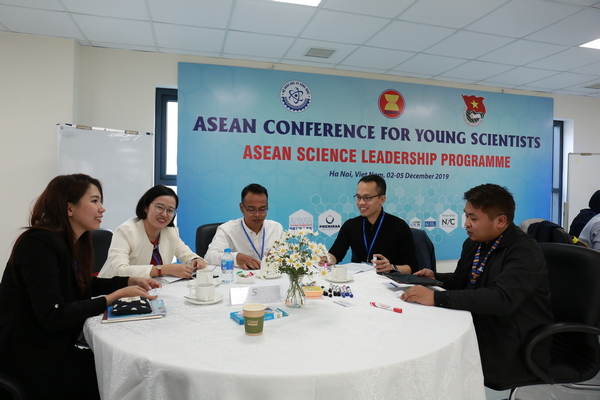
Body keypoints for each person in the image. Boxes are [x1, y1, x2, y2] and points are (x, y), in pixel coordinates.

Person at [0, 174, 161, 400]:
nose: (102, 208)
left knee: (124, 371)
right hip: (31, 359)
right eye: (94, 201)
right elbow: (53, 315)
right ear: (69, 208)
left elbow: (81, 284)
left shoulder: (70, 242)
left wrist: (127, 282)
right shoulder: (38, 243)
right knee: (123, 378)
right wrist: (112, 298)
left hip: (56, 349)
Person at [400, 183, 553, 388]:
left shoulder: (524, 250)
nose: (466, 224)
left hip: (513, 344)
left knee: (438, 368)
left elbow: (501, 299)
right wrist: (434, 277)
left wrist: (436, 297)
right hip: (480, 326)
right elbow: (464, 281)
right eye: (466, 216)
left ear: (500, 221)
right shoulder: (474, 242)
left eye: (473, 218)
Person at [98, 185, 207, 279]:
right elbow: (118, 271)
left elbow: (186, 254)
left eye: (170, 210)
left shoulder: (170, 231)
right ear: (146, 207)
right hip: (114, 290)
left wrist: (196, 260)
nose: (164, 214)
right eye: (160, 207)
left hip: (150, 287)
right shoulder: (126, 231)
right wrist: (163, 269)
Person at [328, 174, 419, 274]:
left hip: (390, 281)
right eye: (358, 197)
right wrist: (327, 260)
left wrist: (392, 267)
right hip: (359, 280)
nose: (361, 203)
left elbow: (413, 267)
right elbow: (335, 254)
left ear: (382, 199)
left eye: (367, 198)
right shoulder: (350, 225)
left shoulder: (399, 226)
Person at [204, 183, 283, 270]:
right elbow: (209, 257)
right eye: (251, 209)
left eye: (262, 209)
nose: (257, 214)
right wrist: (236, 258)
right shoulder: (227, 230)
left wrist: (279, 257)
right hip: (238, 278)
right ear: (242, 208)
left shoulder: (276, 228)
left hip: (269, 276)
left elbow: (285, 257)